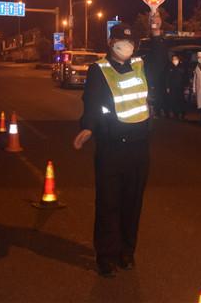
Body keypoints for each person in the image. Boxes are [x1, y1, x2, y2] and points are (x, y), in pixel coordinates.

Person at [73, 23, 151, 278]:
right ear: (110, 42)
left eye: (131, 42)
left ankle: (127, 252)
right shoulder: (99, 70)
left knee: (132, 203)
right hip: (111, 147)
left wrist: (157, 30)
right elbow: (92, 101)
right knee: (108, 203)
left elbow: (161, 61)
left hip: (139, 147)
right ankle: (106, 256)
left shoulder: (140, 65)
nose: (126, 46)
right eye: (121, 41)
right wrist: (88, 127)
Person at [164, 54, 187, 120]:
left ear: (178, 59)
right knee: (173, 100)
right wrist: (167, 87)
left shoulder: (182, 67)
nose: (175, 60)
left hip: (180, 87)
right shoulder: (169, 67)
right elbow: (167, 78)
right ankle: (175, 114)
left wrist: (186, 86)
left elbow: (185, 77)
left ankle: (182, 114)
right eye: (173, 59)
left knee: (181, 100)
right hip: (172, 87)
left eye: (176, 59)